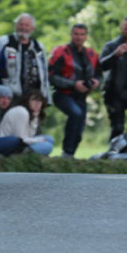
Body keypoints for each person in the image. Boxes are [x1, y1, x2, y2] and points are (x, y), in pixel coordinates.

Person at [48, 23, 101, 158]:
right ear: (71, 35)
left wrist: (96, 82)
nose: (79, 37)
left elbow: (99, 74)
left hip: (81, 96)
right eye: (76, 34)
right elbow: (51, 76)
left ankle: (70, 154)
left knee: (80, 127)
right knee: (76, 114)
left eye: (82, 34)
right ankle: (67, 152)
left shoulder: (91, 54)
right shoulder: (60, 51)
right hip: (62, 94)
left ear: (86, 36)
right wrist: (73, 84)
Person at [0, 13, 50, 103]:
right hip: (8, 96)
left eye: (26, 25)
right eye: (20, 24)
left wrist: (46, 97)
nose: (23, 27)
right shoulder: (3, 42)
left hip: (34, 96)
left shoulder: (38, 47)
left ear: (32, 28)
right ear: (16, 26)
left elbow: (45, 74)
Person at [0, 90, 54, 157]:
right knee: (48, 145)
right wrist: (38, 140)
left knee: (50, 139)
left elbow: (30, 135)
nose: (37, 103)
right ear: (27, 101)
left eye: (40, 101)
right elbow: (20, 139)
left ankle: (29, 153)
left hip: (20, 142)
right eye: (34, 100)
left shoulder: (31, 114)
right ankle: (20, 156)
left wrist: (35, 118)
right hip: (8, 144)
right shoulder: (21, 111)